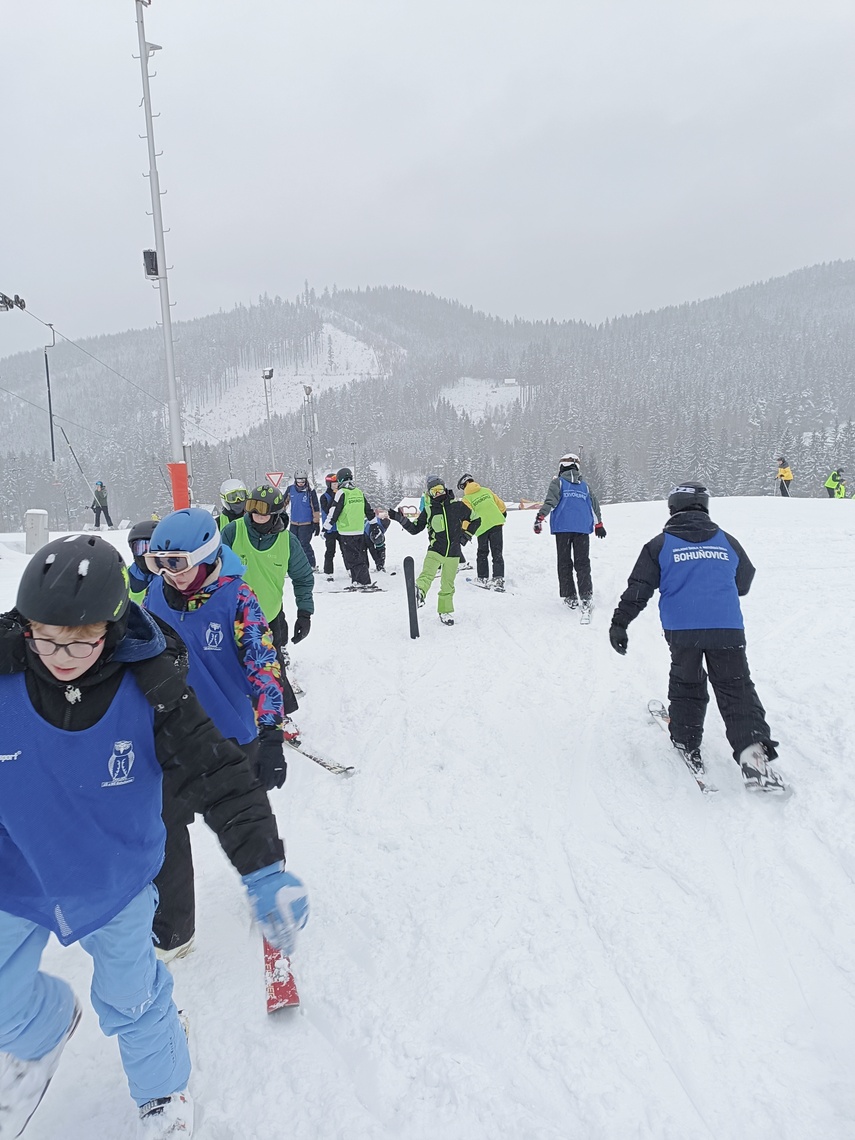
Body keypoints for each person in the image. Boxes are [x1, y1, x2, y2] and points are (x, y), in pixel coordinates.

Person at [0, 534, 308, 1138]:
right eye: (47, 637)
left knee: (132, 997)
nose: (61, 655)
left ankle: (163, 1092)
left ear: (112, 628)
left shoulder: (152, 687)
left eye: (82, 640)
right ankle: (43, 1027)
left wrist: (264, 869)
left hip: (114, 878)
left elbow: (219, 776)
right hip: (16, 874)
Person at [143, 508, 291, 961]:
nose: (169, 574)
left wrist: (271, 732)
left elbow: (263, 666)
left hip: (230, 736)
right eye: (159, 563)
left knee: (242, 819)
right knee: (165, 829)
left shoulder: (237, 598)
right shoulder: (155, 595)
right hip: (173, 733)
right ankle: (174, 930)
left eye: (178, 563)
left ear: (207, 555)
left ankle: (270, 888)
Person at [607, 482, 785, 794]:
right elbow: (744, 581)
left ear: (673, 509)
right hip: (726, 627)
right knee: (736, 688)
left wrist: (620, 623)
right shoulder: (727, 541)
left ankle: (686, 740)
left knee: (687, 683)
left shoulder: (660, 544)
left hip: (683, 629)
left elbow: (639, 589)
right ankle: (753, 756)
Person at [220, 485, 314, 686]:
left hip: (269, 619)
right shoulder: (233, 531)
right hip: (234, 619)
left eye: (263, 513)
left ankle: (280, 703)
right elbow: (213, 571)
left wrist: (304, 613)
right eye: (253, 511)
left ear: (275, 513)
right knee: (235, 671)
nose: (257, 517)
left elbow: (303, 577)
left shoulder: (287, 541)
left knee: (273, 673)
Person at [387, 476, 478, 626]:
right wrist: (400, 519)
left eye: (440, 490)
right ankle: (419, 593)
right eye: (434, 491)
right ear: (429, 493)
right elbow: (415, 529)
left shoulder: (457, 506)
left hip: (453, 554)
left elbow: (476, 519)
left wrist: (465, 536)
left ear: (445, 489)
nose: (438, 494)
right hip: (435, 551)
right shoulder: (429, 510)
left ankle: (445, 611)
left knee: (448, 585)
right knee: (427, 575)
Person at [533, 453, 606, 616]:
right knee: (583, 562)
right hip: (582, 529)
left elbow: (550, 502)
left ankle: (570, 596)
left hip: (563, 529)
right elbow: (594, 506)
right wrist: (599, 524)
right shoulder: (585, 486)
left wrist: (540, 518)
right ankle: (586, 595)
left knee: (564, 562)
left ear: (561, 467)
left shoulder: (558, 483)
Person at [322, 468, 378, 591]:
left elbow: (334, 511)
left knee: (352, 558)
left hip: (346, 531)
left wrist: (325, 528)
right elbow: (368, 510)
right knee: (360, 556)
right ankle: (358, 580)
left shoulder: (341, 493)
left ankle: (363, 581)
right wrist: (374, 525)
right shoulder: (358, 492)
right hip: (359, 530)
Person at [457, 473, 507, 589]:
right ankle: (498, 578)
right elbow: (501, 506)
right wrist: (501, 515)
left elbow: (467, 517)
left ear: (464, 485)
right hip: (496, 523)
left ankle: (482, 578)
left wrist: (464, 531)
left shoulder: (466, 499)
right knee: (497, 552)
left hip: (481, 527)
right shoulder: (486, 490)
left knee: (482, 553)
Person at [284, 470, 320, 570]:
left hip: (307, 523)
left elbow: (315, 507)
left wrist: (316, 522)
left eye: (303, 481)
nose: (301, 483)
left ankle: (311, 565)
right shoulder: (290, 489)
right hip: (294, 523)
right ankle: (293, 565)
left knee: (304, 544)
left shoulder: (310, 491)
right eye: (299, 481)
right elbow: (284, 503)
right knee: (292, 545)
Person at [127, 519, 158, 603]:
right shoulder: (122, 576)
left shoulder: (173, 579)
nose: (145, 555)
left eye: (151, 549)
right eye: (140, 548)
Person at [319, 472, 343, 579]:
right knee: (330, 551)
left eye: (337, 483)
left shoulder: (341, 494)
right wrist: (335, 497)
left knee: (346, 551)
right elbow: (328, 510)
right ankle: (328, 572)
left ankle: (350, 570)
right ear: (329, 485)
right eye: (333, 484)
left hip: (341, 528)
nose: (336, 485)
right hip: (330, 529)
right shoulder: (324, 497)